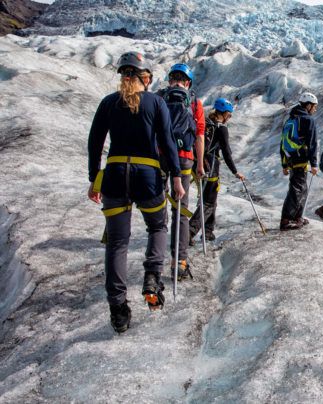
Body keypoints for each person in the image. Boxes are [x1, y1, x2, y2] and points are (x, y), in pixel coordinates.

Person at [87, 51, 185, 333]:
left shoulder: (109, 102)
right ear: (146, 78)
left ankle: (118, 309)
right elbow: (167, 141)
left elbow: (95, 142)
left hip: (115, 176)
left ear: (123, 76)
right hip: (147, 177)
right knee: (157, 226)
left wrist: (94, 179)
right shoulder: (156, 102)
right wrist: (176, 177)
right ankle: (152, 277)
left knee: (117, 242)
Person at [156, 63, 205, 280]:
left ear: (170, 79)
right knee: (181, 210)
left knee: (158, 209)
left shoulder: (159, 98)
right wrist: (200, 165)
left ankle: (156, 261)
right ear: (188, 82)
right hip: (184, 159)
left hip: (160, 157)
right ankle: (180, 261)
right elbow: (199, 136)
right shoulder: (194, 102)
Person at [189, 98, 245, 244]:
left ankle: (208, 231)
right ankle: (189, 232)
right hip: (210, 166)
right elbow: (226, 152)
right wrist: (235, 171)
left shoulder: (206, 123)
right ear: (225, 113)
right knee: (209, 202)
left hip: (197, 164)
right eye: (229, 114)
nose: (229, 117)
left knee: (209, 198)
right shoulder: (221, 128)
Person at [279, 92, 319, 231]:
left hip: (291, 158)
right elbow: (312, 143)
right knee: (297, 189)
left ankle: (297, 217)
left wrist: (284, 164)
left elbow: (282, 143)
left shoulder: (290, 119)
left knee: (301, 188)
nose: (315, 109)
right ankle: (286, 220)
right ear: (308, 105)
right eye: (314, 106)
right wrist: (314, 164)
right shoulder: (308, 120)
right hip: (301, 158)